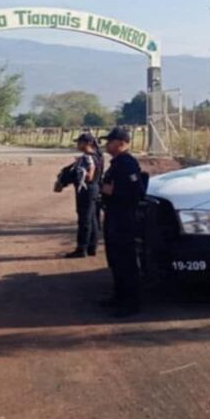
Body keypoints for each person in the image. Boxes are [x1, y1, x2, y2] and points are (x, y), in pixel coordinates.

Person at [99, 127, 146, 318]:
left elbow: (137, 191)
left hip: (124, 217)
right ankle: (119, 296)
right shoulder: (117, 163)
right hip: (114, 215)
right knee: (115, 259)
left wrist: (113, 192)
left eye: (110, 141)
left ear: (121, 143)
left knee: (126, 260)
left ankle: (131, 303)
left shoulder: (127, 164)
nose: (106, 144)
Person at [64, 132, 102, 258]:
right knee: (92, 218)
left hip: (86, 190)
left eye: (80, 142)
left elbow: (89, 177)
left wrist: (77, 174)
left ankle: (82, 248)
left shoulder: (87, 157)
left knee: (84, 219)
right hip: (95, 188)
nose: (77, 144)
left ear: (88, 143)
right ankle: (92, 247)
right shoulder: (98, 155)